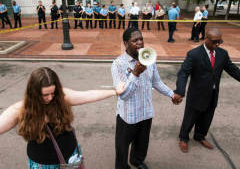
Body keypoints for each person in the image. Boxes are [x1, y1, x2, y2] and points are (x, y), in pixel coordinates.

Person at [0, 67, 125, 168]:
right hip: (42, 164)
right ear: (34, 92)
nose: (50, 98)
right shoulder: (20, 110)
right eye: (45, 95)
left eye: (53, 93)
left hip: (71, 159)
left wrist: (114, 92)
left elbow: (88, 95)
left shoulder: (61, 97)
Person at [111, 27, 181, 169]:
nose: (139, 43)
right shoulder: (118, 64)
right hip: (128, 116)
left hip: (146, 113)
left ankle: (137, 161)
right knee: (122, 147)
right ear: (126, 43)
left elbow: (157, 82)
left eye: (141, 39)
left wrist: (171, 94)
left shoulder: (149, 59)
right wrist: (135, 74)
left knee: (142, 143)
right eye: (134, 40)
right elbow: (124, 95)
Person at [174, 28, 240, 153]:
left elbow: (233, 70)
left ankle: (200, 136)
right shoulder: (194, 54)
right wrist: (180, 91)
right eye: (215, 42)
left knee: (207, 117)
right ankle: (184, 138)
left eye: (219, 42)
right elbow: (183, 73)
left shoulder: (223, 54)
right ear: (206, 39)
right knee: (190, 118)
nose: (217, 45)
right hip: (196, 94)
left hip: (213, 93)